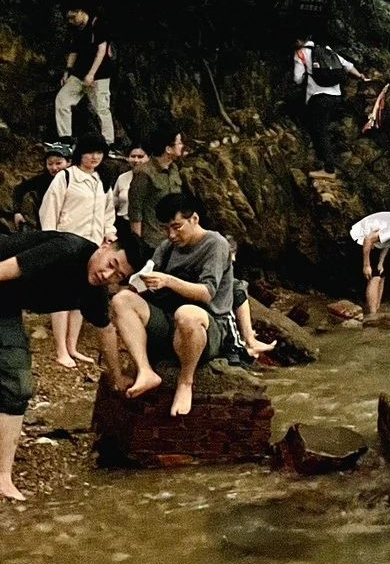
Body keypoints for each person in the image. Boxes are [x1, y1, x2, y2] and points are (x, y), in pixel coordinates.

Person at [0, 230, 142, 501]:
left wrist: (117, 377)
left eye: (118, 277)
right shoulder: (64, 250)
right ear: (106, 245)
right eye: (111, 265)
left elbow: (106, 330)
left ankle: (3, 477)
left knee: (17, 385)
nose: (107, 276)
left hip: (6, 306)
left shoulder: (95, 290)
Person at [110, 193, 237, 418]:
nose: (171, 235)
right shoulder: (166, 247)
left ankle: (185, 382)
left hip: (207, 325)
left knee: (186, 314)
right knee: (121, 300)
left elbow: (207, 293)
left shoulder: (215, 244)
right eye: (166, 228)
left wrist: (169, 280)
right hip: (169, 321)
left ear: (194, 219)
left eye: (177, 227)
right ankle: (146, 371)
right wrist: (138, 285)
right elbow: (147, 276)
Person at [38, 133, 111, 368]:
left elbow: (107, 213)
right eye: (90, 152)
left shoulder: (102, 180)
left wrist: (108, 234)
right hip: (65, 243)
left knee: (80, 298)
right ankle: (60, 349)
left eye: (99, 152)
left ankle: (72, 346)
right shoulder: (66, 177)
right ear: (80, 153)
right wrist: (50, 240)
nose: (95, 157)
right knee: (61, 296)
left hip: (92, 247)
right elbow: (49, 209)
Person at [293, 37, 365, 177]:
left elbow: (297, 79)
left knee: (320, 131)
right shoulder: (327, 50)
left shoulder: (301, 53)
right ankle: (329, 161)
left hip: (319, 97)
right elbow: (348, 66)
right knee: (323, 128)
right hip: (336, 97)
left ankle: (328, 169)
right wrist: (360, 76)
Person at [54, 7, 114, 145]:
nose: (71, 21)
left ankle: (108, 143)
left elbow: (102, 51)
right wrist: (67, 71)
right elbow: (73, 51)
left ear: (82, 12)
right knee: (62, 100)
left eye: (73, 17)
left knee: (101, 109)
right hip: (78, 74)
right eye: (68, 18)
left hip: (99, 75)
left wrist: (91, 74)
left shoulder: (97, 24)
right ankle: (65, 139)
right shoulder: (75, 30)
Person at [348, 210, 390, 316]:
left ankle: (377, 308)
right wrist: (366, 265)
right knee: (374, 277)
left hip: (373, 242)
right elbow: (368, 239)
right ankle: (373, 313)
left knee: (381, 275)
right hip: (361, 237)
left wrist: (381, 263)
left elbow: (388, 243)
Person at [129, 124, 186, 250]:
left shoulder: (174, 169)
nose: (182, 146)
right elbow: (135, 209)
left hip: (172, 239)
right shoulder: (144, 172)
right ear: (168, 149)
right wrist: (137, 244)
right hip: (151, 240)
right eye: (179, 143)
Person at [9, 144, 70, 230]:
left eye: (58, 163)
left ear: (69, 162)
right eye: (50, 164)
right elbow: (19, 190)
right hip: (46, 225)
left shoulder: (76, 179)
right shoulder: (42, 179)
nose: (54, 167)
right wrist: (17, 212)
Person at [111, 144, 150, 236]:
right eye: (133, 156)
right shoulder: (122, 178)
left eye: (140, 157)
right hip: (123, 224)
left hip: (146, 226)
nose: (136, 160)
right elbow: (113, 202)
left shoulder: (152, 178)